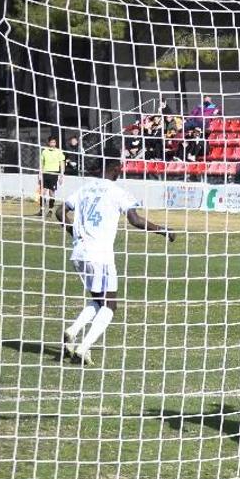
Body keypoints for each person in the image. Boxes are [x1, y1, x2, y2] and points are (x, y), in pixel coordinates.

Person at [54, 145, 175, 364]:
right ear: (113, 167)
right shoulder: (117, 192)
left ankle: (72, 331)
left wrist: (74, 231)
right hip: (100, 255)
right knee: (110, 306)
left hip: (79, 253)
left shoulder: (85, 188)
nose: (121, 169)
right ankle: (84, 347)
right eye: (119, 165)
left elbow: (59, 211)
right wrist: (162, 229)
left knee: (99, 301)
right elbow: (135, 219)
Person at [37, 136, 66, 217]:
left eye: (54, 142)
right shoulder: (44, 151)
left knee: (51, 192)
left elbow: (62, 163)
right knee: (43, 192)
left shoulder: (59, 152)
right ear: (48, 143)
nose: (53, 144)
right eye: (51, 142)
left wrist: (61, 175)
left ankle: (50, 210)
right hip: (45, 173)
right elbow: (41, 164)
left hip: (54, 173)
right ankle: (42, 210)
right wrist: (39, 173)